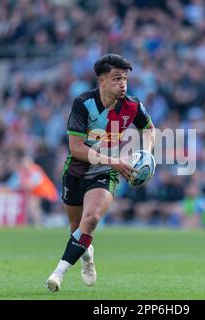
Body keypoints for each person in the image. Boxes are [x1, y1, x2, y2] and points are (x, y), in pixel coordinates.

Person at [45, 54, 156, 292]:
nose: (123, 84)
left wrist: (145, 153)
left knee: (92, 218)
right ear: (102, 81)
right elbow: (76, 149)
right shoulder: (83, 104)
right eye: (117, 79)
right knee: (77, 227)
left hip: (105, 173)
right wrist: (114, 160)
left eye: (125, 78)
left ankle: (58, 273)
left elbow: (149, 129)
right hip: (77, 170)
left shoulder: (132, 106)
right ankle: (87, 254)